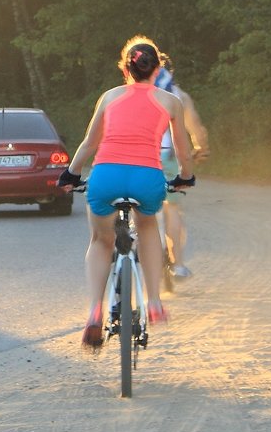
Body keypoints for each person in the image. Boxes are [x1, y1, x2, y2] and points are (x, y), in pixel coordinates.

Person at [56, 36, 195, 351]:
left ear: (125, 68)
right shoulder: (171, 101)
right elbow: (183, 151)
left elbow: (90, 143)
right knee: (147, 227)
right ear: (156, 68)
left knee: (100, 240)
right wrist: (185, 177)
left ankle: (94, 310)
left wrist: (71, 173)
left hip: (106, 176)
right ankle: (155, 302)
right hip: (148, 178)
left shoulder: (109, 97)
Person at [154, 56, 210, 280]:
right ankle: (178, 265)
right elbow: (196, 127)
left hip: (137, 157)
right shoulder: (179, 95)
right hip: (167, 157)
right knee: (171, 209)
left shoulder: (133, 92)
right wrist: (201, 148)